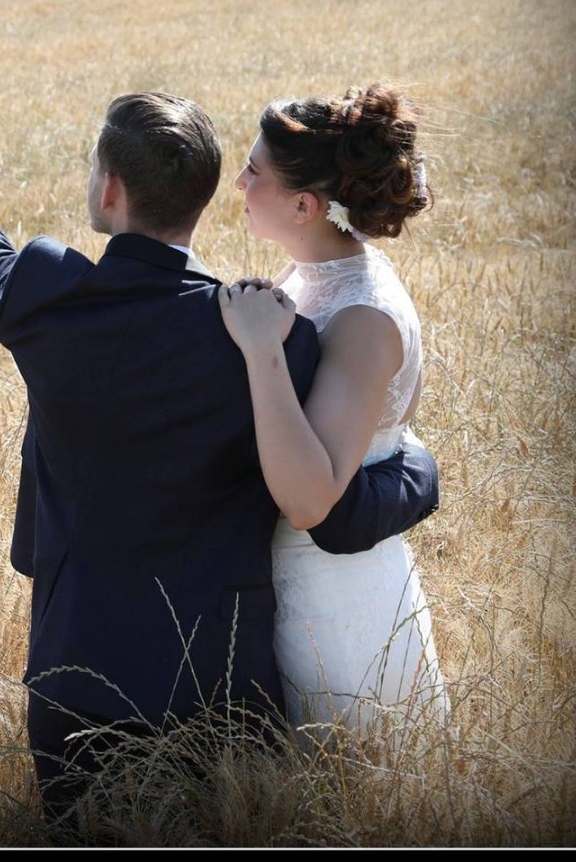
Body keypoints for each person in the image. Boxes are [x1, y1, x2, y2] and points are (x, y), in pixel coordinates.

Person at [0, 36, 440, 825]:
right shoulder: (276, 335)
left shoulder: (44, 296)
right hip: (226, 676)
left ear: (108, 186)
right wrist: (413, 477)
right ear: (201, 196)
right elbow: (326, 489)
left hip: (77, 662)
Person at [219, 85, 449, 745]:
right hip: (301, 585)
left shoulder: (362, 319)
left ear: (303, 204)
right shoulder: (312, 274)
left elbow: (311, 499)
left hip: (338, 605)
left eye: (254, 170)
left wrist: (261, 350)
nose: (238, 180)